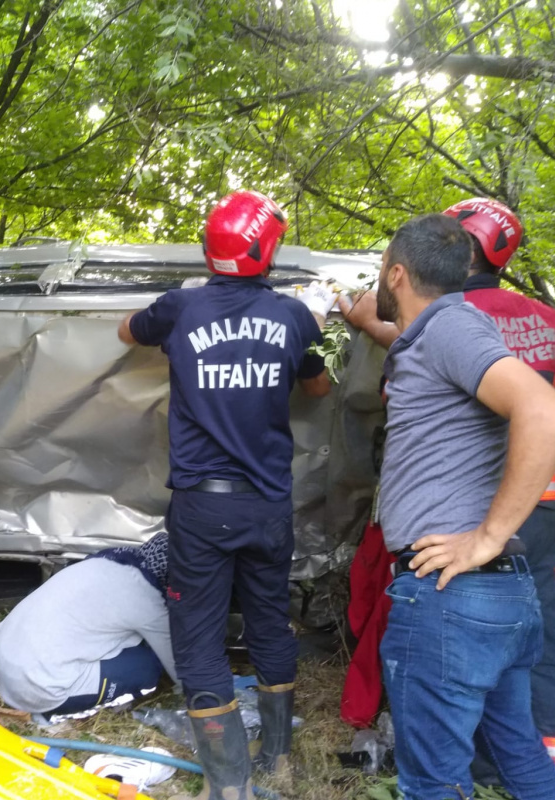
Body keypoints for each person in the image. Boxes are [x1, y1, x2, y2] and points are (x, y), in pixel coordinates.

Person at [343, 198, 555, 784]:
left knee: (430, 781)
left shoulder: (452, 326)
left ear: (397, 274)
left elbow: (547, 412)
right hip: (491, 597)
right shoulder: (444, 328)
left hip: (450, 596)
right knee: (521, 758)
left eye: (381, 270)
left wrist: (487, 537)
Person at [118, 190, 331, 798]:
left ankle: (228, 788)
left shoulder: (180, 307)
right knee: (268, 623)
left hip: (203, 506)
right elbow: (319, 389)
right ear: (267, 252)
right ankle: (278, 758)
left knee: (199, 637)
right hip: (267, 505)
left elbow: (126, 330)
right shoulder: (291, 315)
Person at [0, 533, 176, 715]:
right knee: (148, 667)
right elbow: (179, 664)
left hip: (7, 667)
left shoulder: (109, 561)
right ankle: (55, 715)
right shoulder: (146, 599)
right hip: (41, 690)